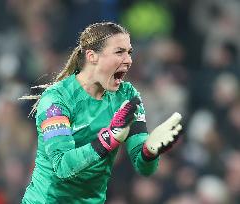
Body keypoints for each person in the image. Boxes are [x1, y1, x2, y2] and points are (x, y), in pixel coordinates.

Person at [21, 22, 183, 204]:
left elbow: (145, 168)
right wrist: (108, 139)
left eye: (129, 52)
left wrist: (150, 152)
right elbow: (62, 166)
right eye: (119, 52)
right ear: (92, 56)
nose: (129, 60)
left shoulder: (126, 95)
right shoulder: (57, 99)